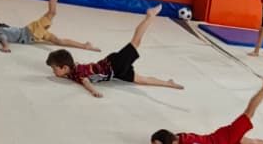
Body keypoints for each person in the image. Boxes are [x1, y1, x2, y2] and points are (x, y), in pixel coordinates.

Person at [46, 5, 182, 97]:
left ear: (65, 67)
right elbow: (74, 65)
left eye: (54, 69)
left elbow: (86, 82)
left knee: (136, 42)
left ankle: (150, 16)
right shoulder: (71, 71)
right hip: (115, 73)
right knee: (141, 80)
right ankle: (168, 83)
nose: (53, 72)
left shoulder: (78, 73)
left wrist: (94, 92)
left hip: (114, 64)